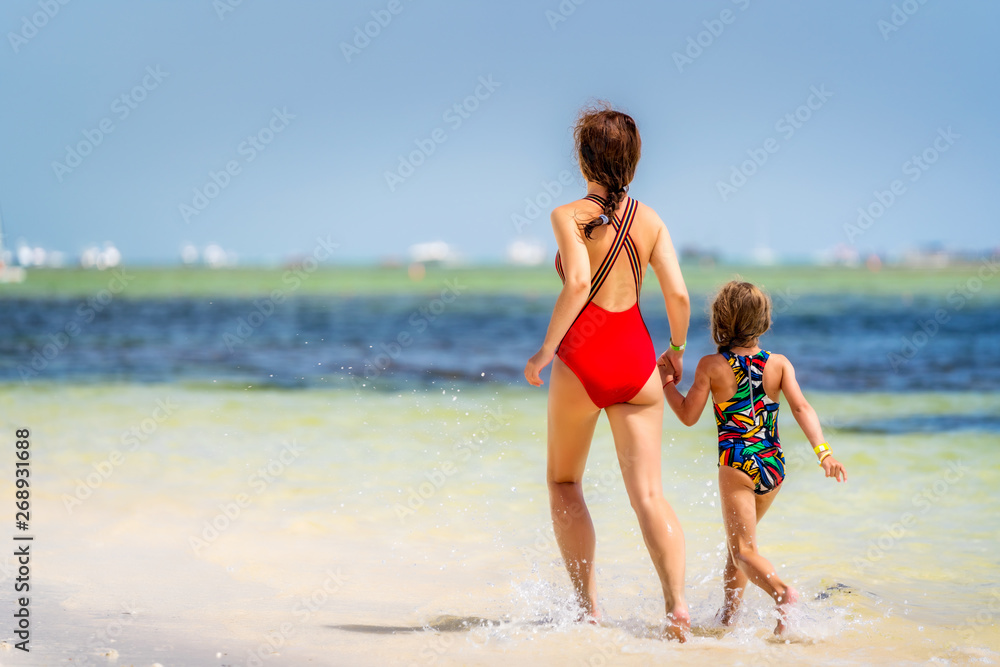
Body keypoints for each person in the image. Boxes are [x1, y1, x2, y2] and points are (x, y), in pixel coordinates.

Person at [524, 104, 691, 640]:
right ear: (634, 161)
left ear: (582, 158)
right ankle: (678, 609)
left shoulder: (568, 215)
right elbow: (680, 295)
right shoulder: (652, 220)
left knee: (564, 481)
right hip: (638, 361)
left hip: (583, 358)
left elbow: (577, 284)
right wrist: (678, 349)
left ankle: (588, 608)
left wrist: (544, 353)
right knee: (649, 495)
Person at [659, 280, 847, 634]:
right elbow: (802, 408)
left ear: (720, 322)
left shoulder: (711, 366)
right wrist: (824, 453)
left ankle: (782, 594)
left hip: (738, 464)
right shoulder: (779, 364)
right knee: (741, 546)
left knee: (743, 549)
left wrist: (667, 382)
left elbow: (687, 415)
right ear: (764, 321)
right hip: (772, 465)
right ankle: (728, 619)